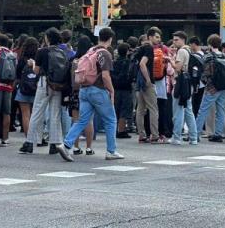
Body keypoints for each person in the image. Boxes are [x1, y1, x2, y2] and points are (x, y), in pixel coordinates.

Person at [54, 28, 123, 162]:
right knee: (110, 120)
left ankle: (66, 144)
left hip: (84, 89)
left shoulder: (91, 51)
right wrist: (111, 91)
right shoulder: (105, 54)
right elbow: (105, 75)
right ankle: (111, 151)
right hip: (98, 90)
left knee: (82, 120)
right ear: (110, 39)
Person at [195, 35, 225, 142]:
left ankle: (195, 133)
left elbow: (205, 73)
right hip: (224, 86)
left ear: (209, 44)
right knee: (221, 110)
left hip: (212, 87)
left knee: (203, 110)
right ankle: (218, 134)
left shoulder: (208, 56)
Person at [170, 32, 198, 145]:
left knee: (178, 110)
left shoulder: (181, 51)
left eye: (176, 40)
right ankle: (193, 137)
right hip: (188, 83)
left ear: (183, 40)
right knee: (188, 111)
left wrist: (170, 60)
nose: (174, 42)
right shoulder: (189, 50)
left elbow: (177, 68)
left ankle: (176, 137)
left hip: (181, 83)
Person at [134, 27, 161, 143]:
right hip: (146, 82)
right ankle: (155, 135)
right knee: (153, 109)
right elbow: (142, 64)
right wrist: (148, 79)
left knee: (140, 109)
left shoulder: (141, 48)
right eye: (157, 37)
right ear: (150, 37)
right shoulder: (149, 48)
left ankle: (141, 134)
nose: (159, 39)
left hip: (139, 82)